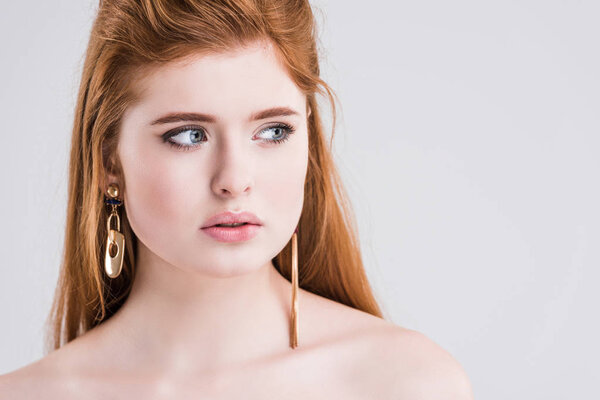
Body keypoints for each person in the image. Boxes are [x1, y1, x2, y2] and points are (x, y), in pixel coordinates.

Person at [0, 0, 473, 398]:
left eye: (272, 131)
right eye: (188, 135)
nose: (234, 180)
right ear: (109, 161)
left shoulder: (406, 383)